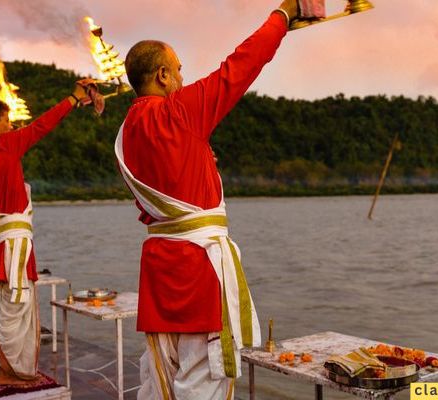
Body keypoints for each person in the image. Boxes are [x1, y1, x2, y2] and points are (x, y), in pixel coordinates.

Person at [115, 1, 297, 398]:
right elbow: (241, 65)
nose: (183, 77)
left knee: (160, 378)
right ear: (162, 75)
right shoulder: (178, 113)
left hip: (158, 270)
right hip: (196, 271)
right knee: (204, 381)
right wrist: (283, 15)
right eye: (178, 70)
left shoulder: (127, 132)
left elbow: (159, 197)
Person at [0, 81, 94, 385]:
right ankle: (14, 372)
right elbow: (42, 125)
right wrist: (73, 98)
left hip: (1, 242)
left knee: (3, 307)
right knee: (17, 307)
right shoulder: (4, 145)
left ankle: (3, 368)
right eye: (8, 121)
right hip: (13, 244)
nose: (12, 126)